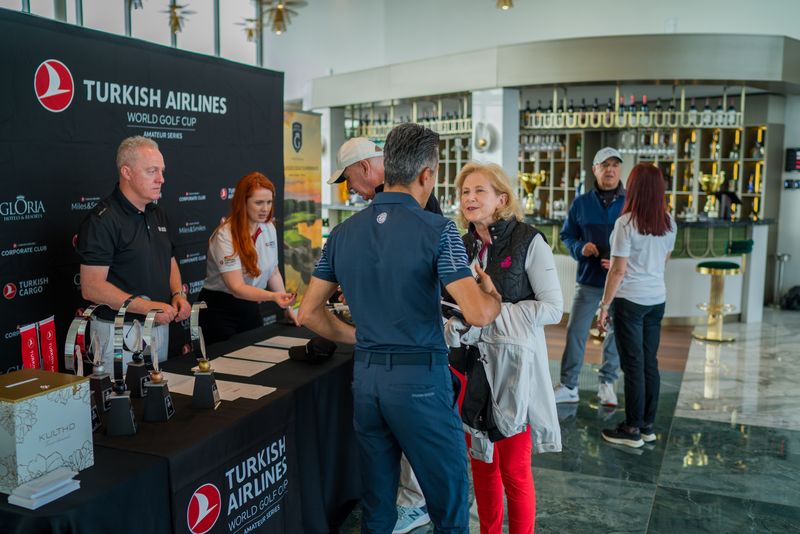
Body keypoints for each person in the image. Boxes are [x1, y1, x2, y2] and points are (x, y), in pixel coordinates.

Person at [298, 123, 502, 533]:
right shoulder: (439, 230)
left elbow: (308, 313)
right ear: (427, 174)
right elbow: (479, 313)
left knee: (378, 509)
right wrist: (491, 294)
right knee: (450, 509)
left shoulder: (342, 233)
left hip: (367, 381)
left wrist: (358, 337)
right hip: (420, 381)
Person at [329, 136, 440, 533]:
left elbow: (419, 278)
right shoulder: (377, 213)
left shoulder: (419, 207)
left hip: (413, 351)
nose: (351, 190)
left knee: (419, 447)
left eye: (348, 180)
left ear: (365, 167)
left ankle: (413, 502)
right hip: (394, 355)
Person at [447, 162, 562, 534]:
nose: (469, 198)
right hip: (469, 367)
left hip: (513, 370)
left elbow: (553, 308)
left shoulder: (529, 241)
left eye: (479, 190)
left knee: (514, 469)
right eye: (465, 191)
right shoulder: (462, 245)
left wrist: (494, 308)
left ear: (501, 198)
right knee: (482, 464)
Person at [77, 136, 191, 371]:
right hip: (119, 331)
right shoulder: (103, 220)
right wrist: (148, 308)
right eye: (152, 171)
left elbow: (168, 260)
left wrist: (178, 294)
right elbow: (91, 287)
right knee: (122, 395)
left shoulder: (158, 214)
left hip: (159, 327)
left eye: (161, 171)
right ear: (126, 172)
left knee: (159, 390)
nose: (161, 179)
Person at [598, 163, 676, 448]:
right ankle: (647, 427)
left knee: (633, 365)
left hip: (629, 301)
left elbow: (618, 271)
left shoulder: (626, 224)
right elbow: (663, 262)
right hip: (657, 300)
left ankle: (631, 429)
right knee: (649, 363)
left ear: (634, 189)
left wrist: (604, 305)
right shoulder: (669, 222)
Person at [554, 147, 626, 407]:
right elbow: (567, 236)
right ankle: (569, 385)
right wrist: (580, 248)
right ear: (595, 170)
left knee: (614, 333)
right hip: (589, 280)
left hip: (619, 282)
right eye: (605, 165)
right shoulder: (581, 203)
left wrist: (619, 262)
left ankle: (607, 384)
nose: (610, 170)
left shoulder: (630, 203)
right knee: (576, 330)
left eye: (615, 165)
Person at [198, 172, 296, 345]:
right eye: (258, 203)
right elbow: (237, 287)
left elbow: (273, 272)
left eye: (269, 202)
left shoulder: (268, 228)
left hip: (250, 305)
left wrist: (287, 307)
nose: (265, 209)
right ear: (243, 202)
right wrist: (273, 297)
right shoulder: (225, 235)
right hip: (219, 310)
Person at [328, 136, 441, 214]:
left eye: (348, 177)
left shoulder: (410, 193)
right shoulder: (406, 191)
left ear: (364, 167)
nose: (348, 187)